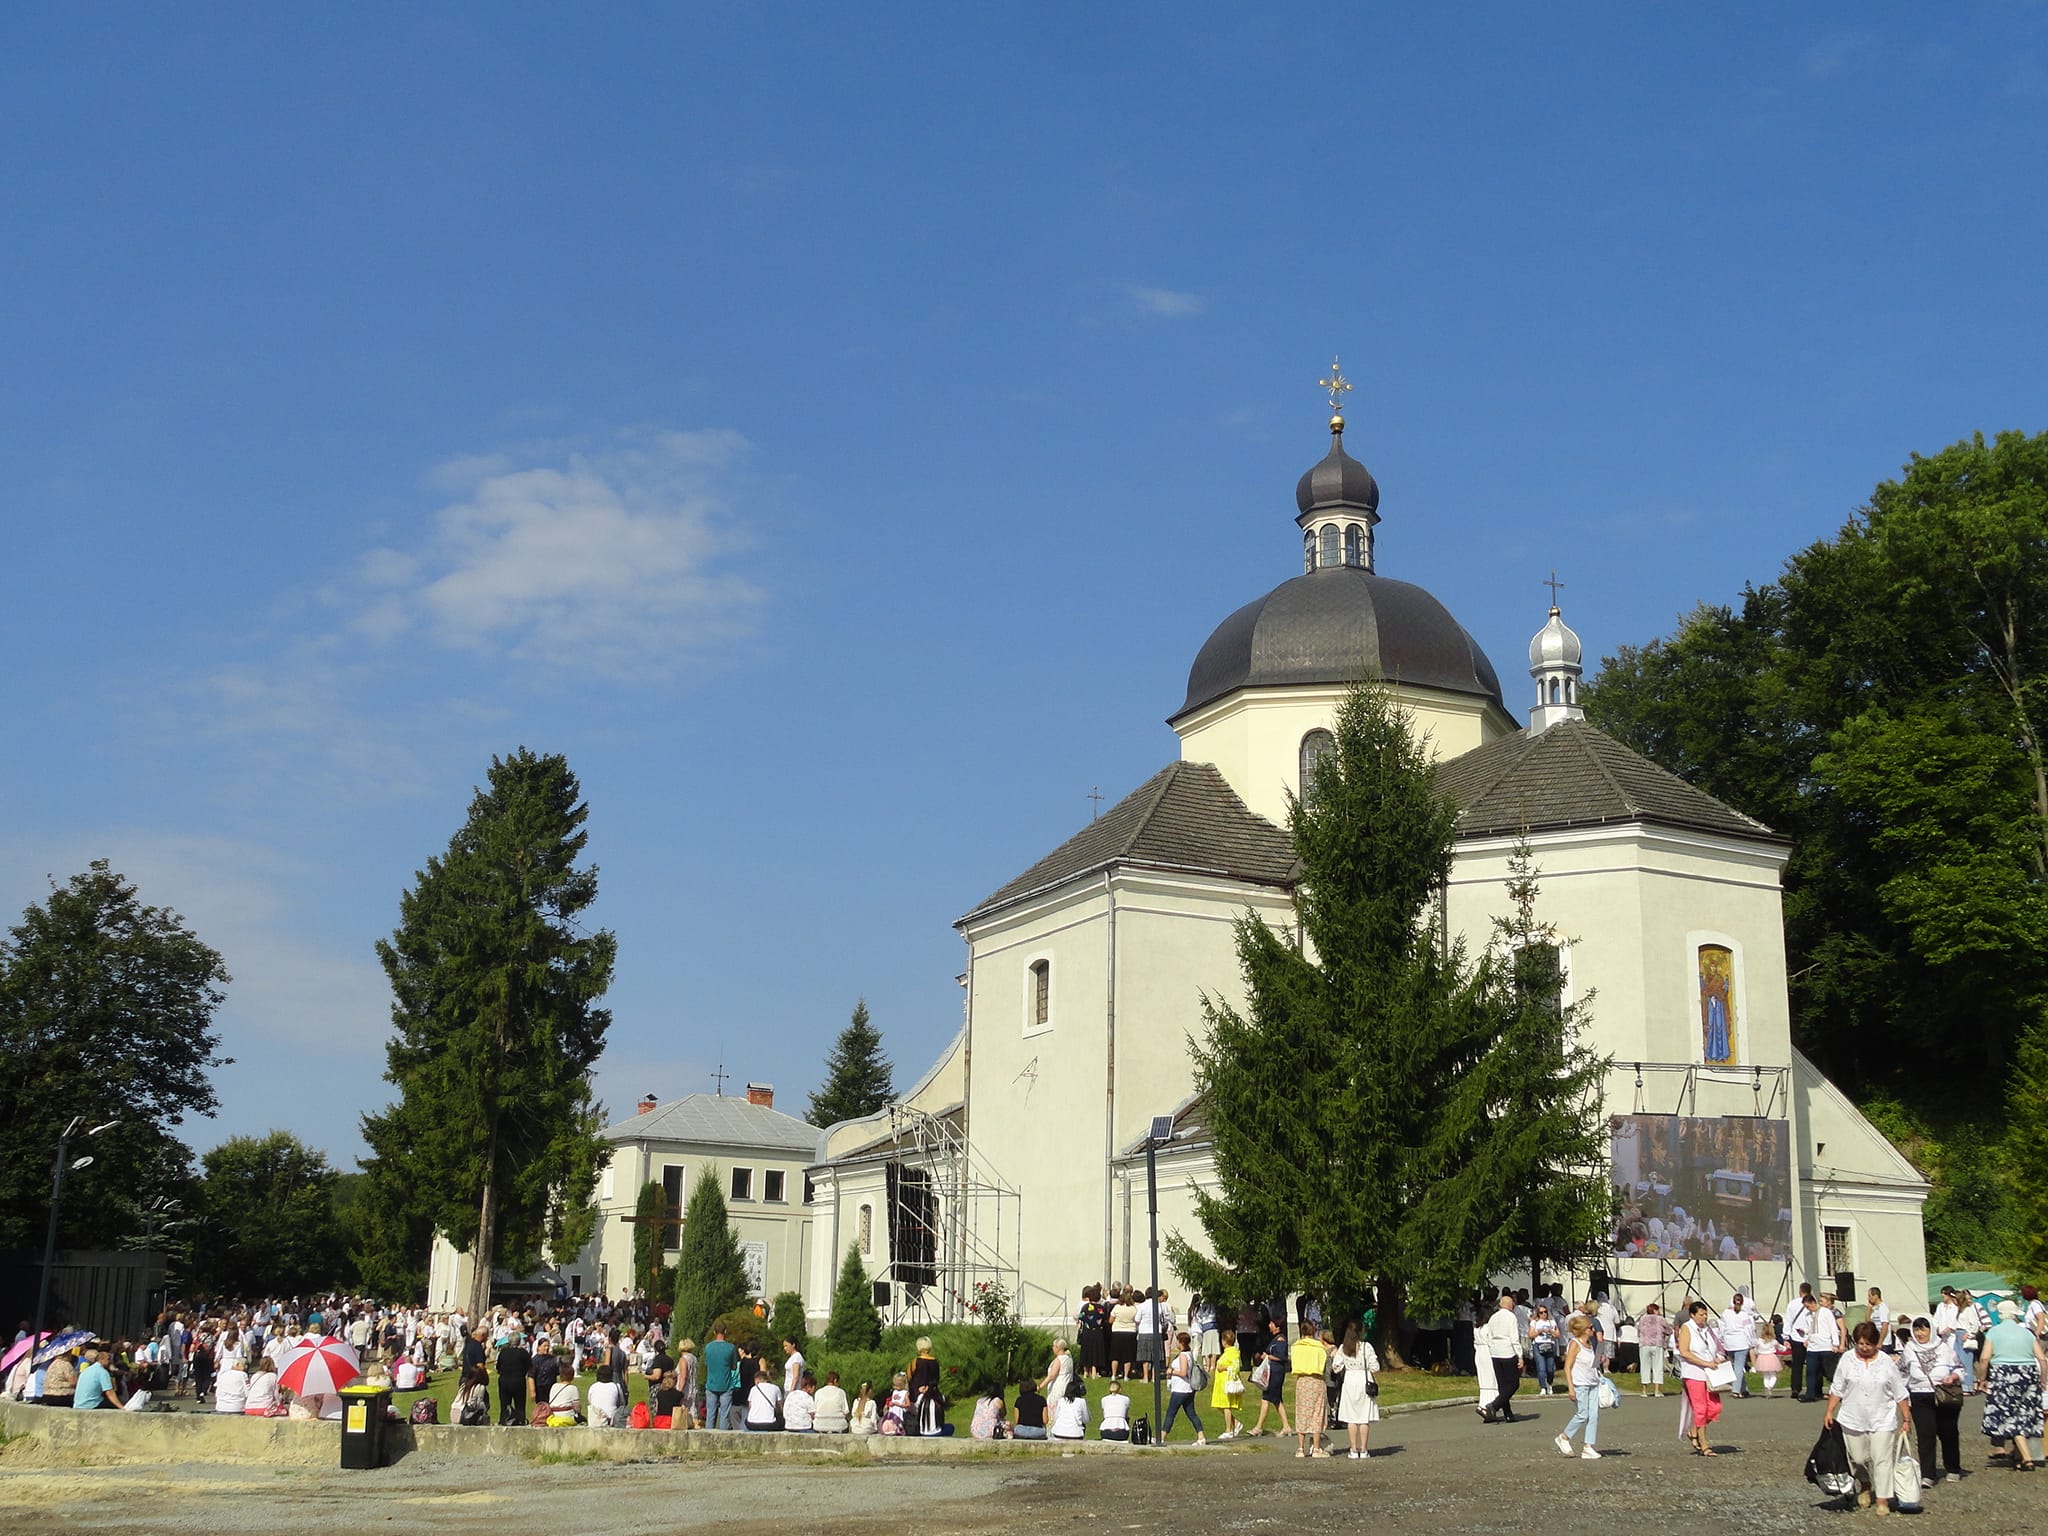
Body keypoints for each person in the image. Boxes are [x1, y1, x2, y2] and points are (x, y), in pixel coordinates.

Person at [1825, 1320, 1911, 1511]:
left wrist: (1906, 1419)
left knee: (1882, 1458)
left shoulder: (1886, 1362)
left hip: (1882, 1418)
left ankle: (1882, 1498)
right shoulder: (1847, 1359)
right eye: (1860, 1343)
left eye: (1867, 1344)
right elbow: (1838, 1387)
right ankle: (1864, 1483)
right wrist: (1830, 1411)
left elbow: (1900, 1392)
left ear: (1875, 1343)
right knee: (1858, 1459)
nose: (1863, 1348)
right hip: (1852, 1418)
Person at [1976, 1298, 2047, 1471]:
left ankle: (2027, 1458)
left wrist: (1982, 1379)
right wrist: (2043, 1379)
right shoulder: (2027, 1333)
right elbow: (2042, 1359)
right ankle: (2022, 1456)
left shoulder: (1994, 1332)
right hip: (2028, 1373)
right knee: (2024, 1414)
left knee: (2009, 1416)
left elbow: (1984, 1358)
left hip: (2004, 1373)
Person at [1901, 1316, 1963, 1486]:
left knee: (1948, 1432)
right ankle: (1928, 1473)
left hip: (1944, 1395)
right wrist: (1903, 1395)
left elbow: (1960, 1368)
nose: (1919, 1333)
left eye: (1923, 1329)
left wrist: (1953, 1376)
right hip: (1920, 1396)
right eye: (1916, 1329)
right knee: (1925, 1434)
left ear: (1932, 1330)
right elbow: (1902, 1373)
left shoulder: (1944, 1348)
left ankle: (1953, 1467)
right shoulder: (1909, 1349)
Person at [1676, 1299, 1727, 1456]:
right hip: (1693, 1373)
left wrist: (1718, 1358)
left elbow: (1719, 1348)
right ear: (1692, 1315)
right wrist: (1704, 1363)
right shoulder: (1687, 1328)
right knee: (1700, 1409)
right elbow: (1684, 1352)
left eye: (1705, 1314)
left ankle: (1694, 1430)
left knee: (1715, 1407)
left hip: (1710, 1374)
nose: (1704, 1317)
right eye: (1701, 1314)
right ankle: (1704, 1445)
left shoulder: (1708, 1329)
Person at [1553, 1313, 1602, 1460]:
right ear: (1583, 1330)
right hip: (1580, 1384)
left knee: (1593, 1415)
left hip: (1593, 1382)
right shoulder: (1575, 1343)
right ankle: (1564, 1437)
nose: (1593, 1329)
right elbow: (1567, 1367)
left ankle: (1588, 1446)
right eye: (1590, 1327)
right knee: (1582, 1414)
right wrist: (1571, 1387)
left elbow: (1591, 1364)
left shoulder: (1590, 1344)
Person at [1330, 1322, 1381, 1460]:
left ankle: (1353, 1449)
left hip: (1350, 1380)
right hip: (1363, 1380)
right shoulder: (1366, 1347)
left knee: (1352, 1418)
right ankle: (1364, 1450)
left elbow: (1336, 1367)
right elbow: (1375, 1367)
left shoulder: (1343, 1347)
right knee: (1363, 1418)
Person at [1479, 1293, 1525, 1423]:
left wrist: (1492, 1347)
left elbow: (1489, 1335)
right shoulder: (1511, 1317)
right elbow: (1514, 1338)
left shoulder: (1493, 1317)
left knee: (1503, 1385)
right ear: (1510, 1306)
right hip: (1507, 1351)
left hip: (1495, 1352)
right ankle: (1494, 1405)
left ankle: (1508, 1413)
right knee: (1513, 1383)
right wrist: (1520, 1355)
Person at [1290, 1321, 1328, 1457]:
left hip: (1302, 1380)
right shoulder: (1319, 1347)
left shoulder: (1296, 1346)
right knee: (1317, 1413)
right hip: (1316, 1380)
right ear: (1313, 1331)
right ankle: (1316, 1448)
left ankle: (1300, 1448)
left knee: (1302, 1412)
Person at [1248, 1316, 1292, 1437]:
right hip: (1272, 1371)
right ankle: (1283, 1426)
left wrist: (1267, 1356)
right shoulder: (1275, 1339)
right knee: (1272, 1399)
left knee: (1271, 1398)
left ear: (1277, 1326)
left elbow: (1282, 1357)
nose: (1269, 1326)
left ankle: (1261, 1427)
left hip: (1277, 1372)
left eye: (1271, 1324)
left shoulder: (1281, 1340)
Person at [1164, 1329, 1206, 1445]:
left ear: (1181, 1342)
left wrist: (1171, 1371)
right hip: (1188, 1390)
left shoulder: (1183, 1355)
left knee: (1170, 1413)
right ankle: (1201, 1436)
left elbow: (1183, 1372)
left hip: (1180, 1389)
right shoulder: (1189, 1354)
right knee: (1191, 1413)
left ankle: (1162, 1436)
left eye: (1177, 1341)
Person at [1800, 1292, 1844, 1403]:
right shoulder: (1808, 1316)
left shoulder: (1826, 1312)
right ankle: (1811, 1394)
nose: (1807, 1309)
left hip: (1826, 1346)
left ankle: (1839, 1393)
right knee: (1811, 1371)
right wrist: (1807, 1338)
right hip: (1813, 1347)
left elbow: (1833, 1328)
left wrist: (1835, 1344)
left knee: (1830, 1372)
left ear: (1813, 1303)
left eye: (1808, 1306)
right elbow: (1810, 1329)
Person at [702, 1324, 739, 1431]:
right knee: (724, 1414)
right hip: (726, 1384)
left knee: (710, 1413)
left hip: (711, 1383)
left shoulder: (708, 1347)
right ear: (725, 1332)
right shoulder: (730, 1347)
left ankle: (708, 1437)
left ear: (714, 1332)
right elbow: (734, 1366)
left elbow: (706, 1363)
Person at [1719, 1294, 1756, 1396]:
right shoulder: (1744, 1315)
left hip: (1729, 1343)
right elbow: (1748, 1330)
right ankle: (1736, 1390)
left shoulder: (1725, 1314)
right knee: (1739, 1367)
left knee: (1736, 1367)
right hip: (1741, 1343)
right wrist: (1752, 1343)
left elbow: (1721, 1328)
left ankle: (1743, 1389)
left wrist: (1721, 1340)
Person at [1211, 1327, 1244, 1438]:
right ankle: (1236, 1423)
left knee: (1225, 1406)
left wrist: (1223, 1367)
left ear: (1224, 1341)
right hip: (1221, 1383)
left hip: (1227, 1382)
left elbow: (1235, 1366)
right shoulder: (1226, 1352)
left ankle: (1228, 1430)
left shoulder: (1233, 1352)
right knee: (1219, 1405)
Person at [495, 1330, 531, 1427]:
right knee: (520, 1404)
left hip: (504, 1381)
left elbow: (498, 1368)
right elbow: (529, 1367)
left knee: (504, 1403)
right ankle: (520, 1420)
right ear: (519, 1341)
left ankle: (504, 1419)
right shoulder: (523, 1353)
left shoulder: (503, 1353)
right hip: (518, 1380)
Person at [1077, 1286, 1110, 1380]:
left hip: (1087, 1332)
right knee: (1095, 1351)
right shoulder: (1101, 1308)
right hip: (1098, 1332)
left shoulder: (1085, 1307)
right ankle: (1094, 1371)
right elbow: (1105, 1319)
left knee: (1086, 1350)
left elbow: (1081, 1317)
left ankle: (1085, 1372)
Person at [1636, 1303, 1668, 1398]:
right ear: (1655, 1310)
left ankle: (1644, 1390)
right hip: (1657, 1344)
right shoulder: (1660, 1319)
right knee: (1657, 1366)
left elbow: (1638, 1331)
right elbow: (1668, 1330)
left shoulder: (1642, 1319)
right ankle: (1657, 1390)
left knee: (1644, 1366)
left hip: (1644, 1344)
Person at [1529, 1304, 1562, 1396]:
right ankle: (1543, 1387)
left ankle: (1550, 1384)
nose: (1544, 1314)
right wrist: (1539, 1331)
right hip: (1538, 1345)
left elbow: (1558, 1335)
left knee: (1550, 1368)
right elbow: (1531, 1335)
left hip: (1549, 1345)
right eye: (1541, 1312)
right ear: (1538, 1314)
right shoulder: (1534, 1323)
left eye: (1545, 1312)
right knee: (1541, 1368)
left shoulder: (1552, 1322)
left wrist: (1550, 1331)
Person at [1109, 1288, 1139, 1382]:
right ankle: (1126, 1376)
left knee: (1115, 1355)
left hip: (1117, 1332)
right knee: (1128, 1355)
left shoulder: (1117, 1307)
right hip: (1130, 1332)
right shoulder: (1133, 1309)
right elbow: (1136, 1320)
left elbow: (1110, 1320)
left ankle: (1114, 1375)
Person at [1049, 1376, 1089, 1441]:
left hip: (1058, 1433)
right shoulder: (1081, 1401)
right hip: (1076, 1434)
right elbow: (1086, 1419)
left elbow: (1056, 1417)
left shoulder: (1061, 1400)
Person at [585, 1364, 624, 1428]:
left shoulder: (593, 1387)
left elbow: (590, 1402)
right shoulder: (616, 1386)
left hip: (595, 1420)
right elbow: (622, 1403)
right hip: (612, 1420)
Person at [1752, 1320, 1783, 1397]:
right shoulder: (1773, 1341)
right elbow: (1780, 1348)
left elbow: (1756, 1350)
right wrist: (1785, 1348)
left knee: (1765, 1375)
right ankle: (1770, 1387)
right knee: (1773, 1375)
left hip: (1762, 1358)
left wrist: (1757, 1352)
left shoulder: (1759, 1341)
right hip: (1771, 1358)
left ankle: (1766, 1387)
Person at [1040, 1338, 1074, 1408]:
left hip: (1058, 1389)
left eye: (1053, 1346)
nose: (1052, 1348)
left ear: (1057, 1348)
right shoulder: (1069, 1358)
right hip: (1067, 1387)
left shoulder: (1059, 1360)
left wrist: (1040, 1386)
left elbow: (1051, 1376)